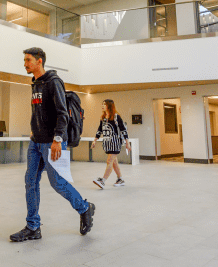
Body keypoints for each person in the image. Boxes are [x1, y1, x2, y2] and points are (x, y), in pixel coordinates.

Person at [10, 47, 95, 242]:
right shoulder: (35, 83)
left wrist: (58, 139)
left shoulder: (53, 82)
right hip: (36, 142)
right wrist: (34, 129)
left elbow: (62, 112)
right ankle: (33, 226)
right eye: (25, 60)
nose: (25, 64)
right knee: (30, 182)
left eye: (28, 60)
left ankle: (84, 207)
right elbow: (38, 112)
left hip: (52, 142)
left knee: (57, 183)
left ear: (39, 61)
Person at [91, 99, 130, 188]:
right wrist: (95, 140)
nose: (102, 106)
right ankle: (120, 179)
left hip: (115, 143)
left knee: (109, 161)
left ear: (109, 106)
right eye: (102, 104)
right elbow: (99, 130)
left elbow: (124, 130)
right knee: (114, 163)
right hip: (107, 144)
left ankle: (103, 181)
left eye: (104, 104)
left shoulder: (116, 117)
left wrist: (127, 143)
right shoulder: (103, 118)